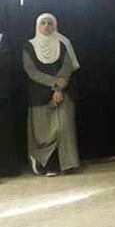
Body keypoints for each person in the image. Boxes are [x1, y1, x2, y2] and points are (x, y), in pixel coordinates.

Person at [24, 13, 82, 176]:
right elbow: (31, 71)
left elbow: (67, 67)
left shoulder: (63, 43)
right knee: (44, 133)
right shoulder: (29, 46)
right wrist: (55, 84)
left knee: (64, 129)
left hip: (64, 92)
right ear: (37, 26)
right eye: (43, 23)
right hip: (39, 94)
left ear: (55, 26)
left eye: (50, 23)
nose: (47, 26)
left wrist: (59, 89)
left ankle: (67, 165)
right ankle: (48, 165)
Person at [0, 30, 23, 177]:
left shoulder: (3, 38)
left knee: (5, 132)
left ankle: (7, 168)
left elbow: (7, 62)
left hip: (2, 95)